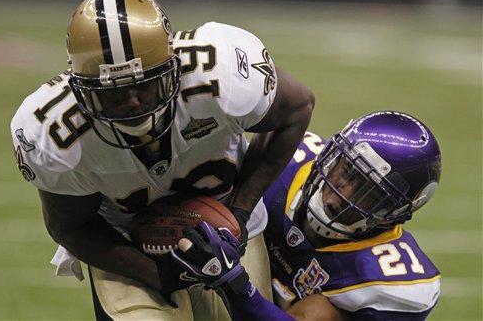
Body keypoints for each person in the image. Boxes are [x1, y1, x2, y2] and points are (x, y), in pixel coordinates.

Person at [10, 0, 314, 320]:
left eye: (143, 84)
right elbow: (71, 227)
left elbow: (297, 108)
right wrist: (159, 273)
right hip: (125, 239)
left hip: (225, 223)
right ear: (80, 89)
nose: (132, 102)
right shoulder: (55, 132)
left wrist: (239, 212)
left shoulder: (219, 76)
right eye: (114, 93)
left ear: (173, 67)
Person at [172, 111, 441, 321]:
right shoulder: (287, 162)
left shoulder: (391, 279)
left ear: (394, 214)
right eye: (346, 172)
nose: (338, 196)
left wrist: (235, 283)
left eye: (368, 195)